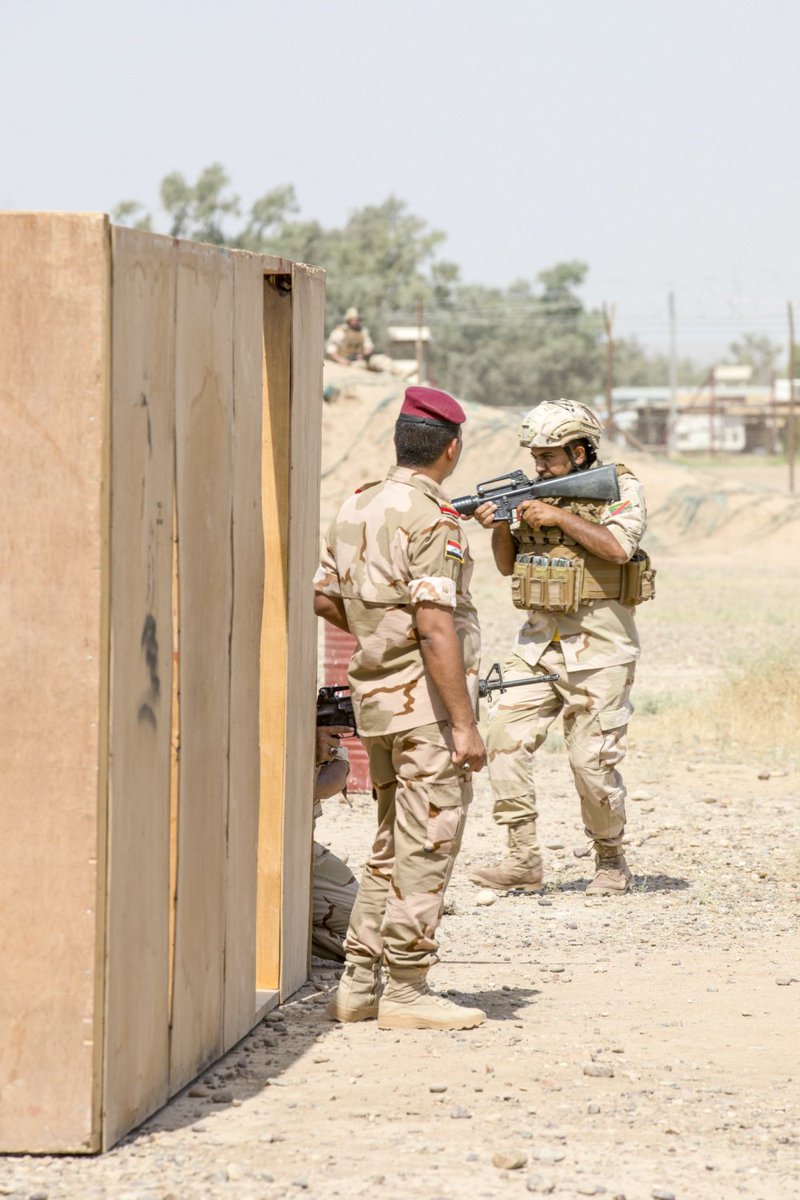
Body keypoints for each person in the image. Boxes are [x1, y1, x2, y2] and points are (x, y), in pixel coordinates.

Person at [313, 385, 486, 1031]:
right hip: (426, 710)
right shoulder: (434, 518)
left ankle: (359, 986)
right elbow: (436, 626)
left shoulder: (355, 504)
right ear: (451, 449)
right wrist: (464, 724)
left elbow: (323, 596)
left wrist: (379, 633)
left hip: (379, 706)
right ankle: (407, 991)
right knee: (427, 846)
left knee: (390, 844)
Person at [469, 399, 654, 897]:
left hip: (600, 651)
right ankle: (522, 860)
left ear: (580, 451)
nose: (540, 465)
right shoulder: (535, 492)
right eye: (535, 456)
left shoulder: (620, 487)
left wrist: (556, 514)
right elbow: (507, 566)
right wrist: (501, 525)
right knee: (502, 737)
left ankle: (611, 860)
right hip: (537, 647)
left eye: (549, 456)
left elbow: (618, 548)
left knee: (591, 764)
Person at [312, 726, 358, 962]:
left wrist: (322, 753)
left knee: (374, 931)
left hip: (300, 853)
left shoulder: (315, 732)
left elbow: (333, 780)